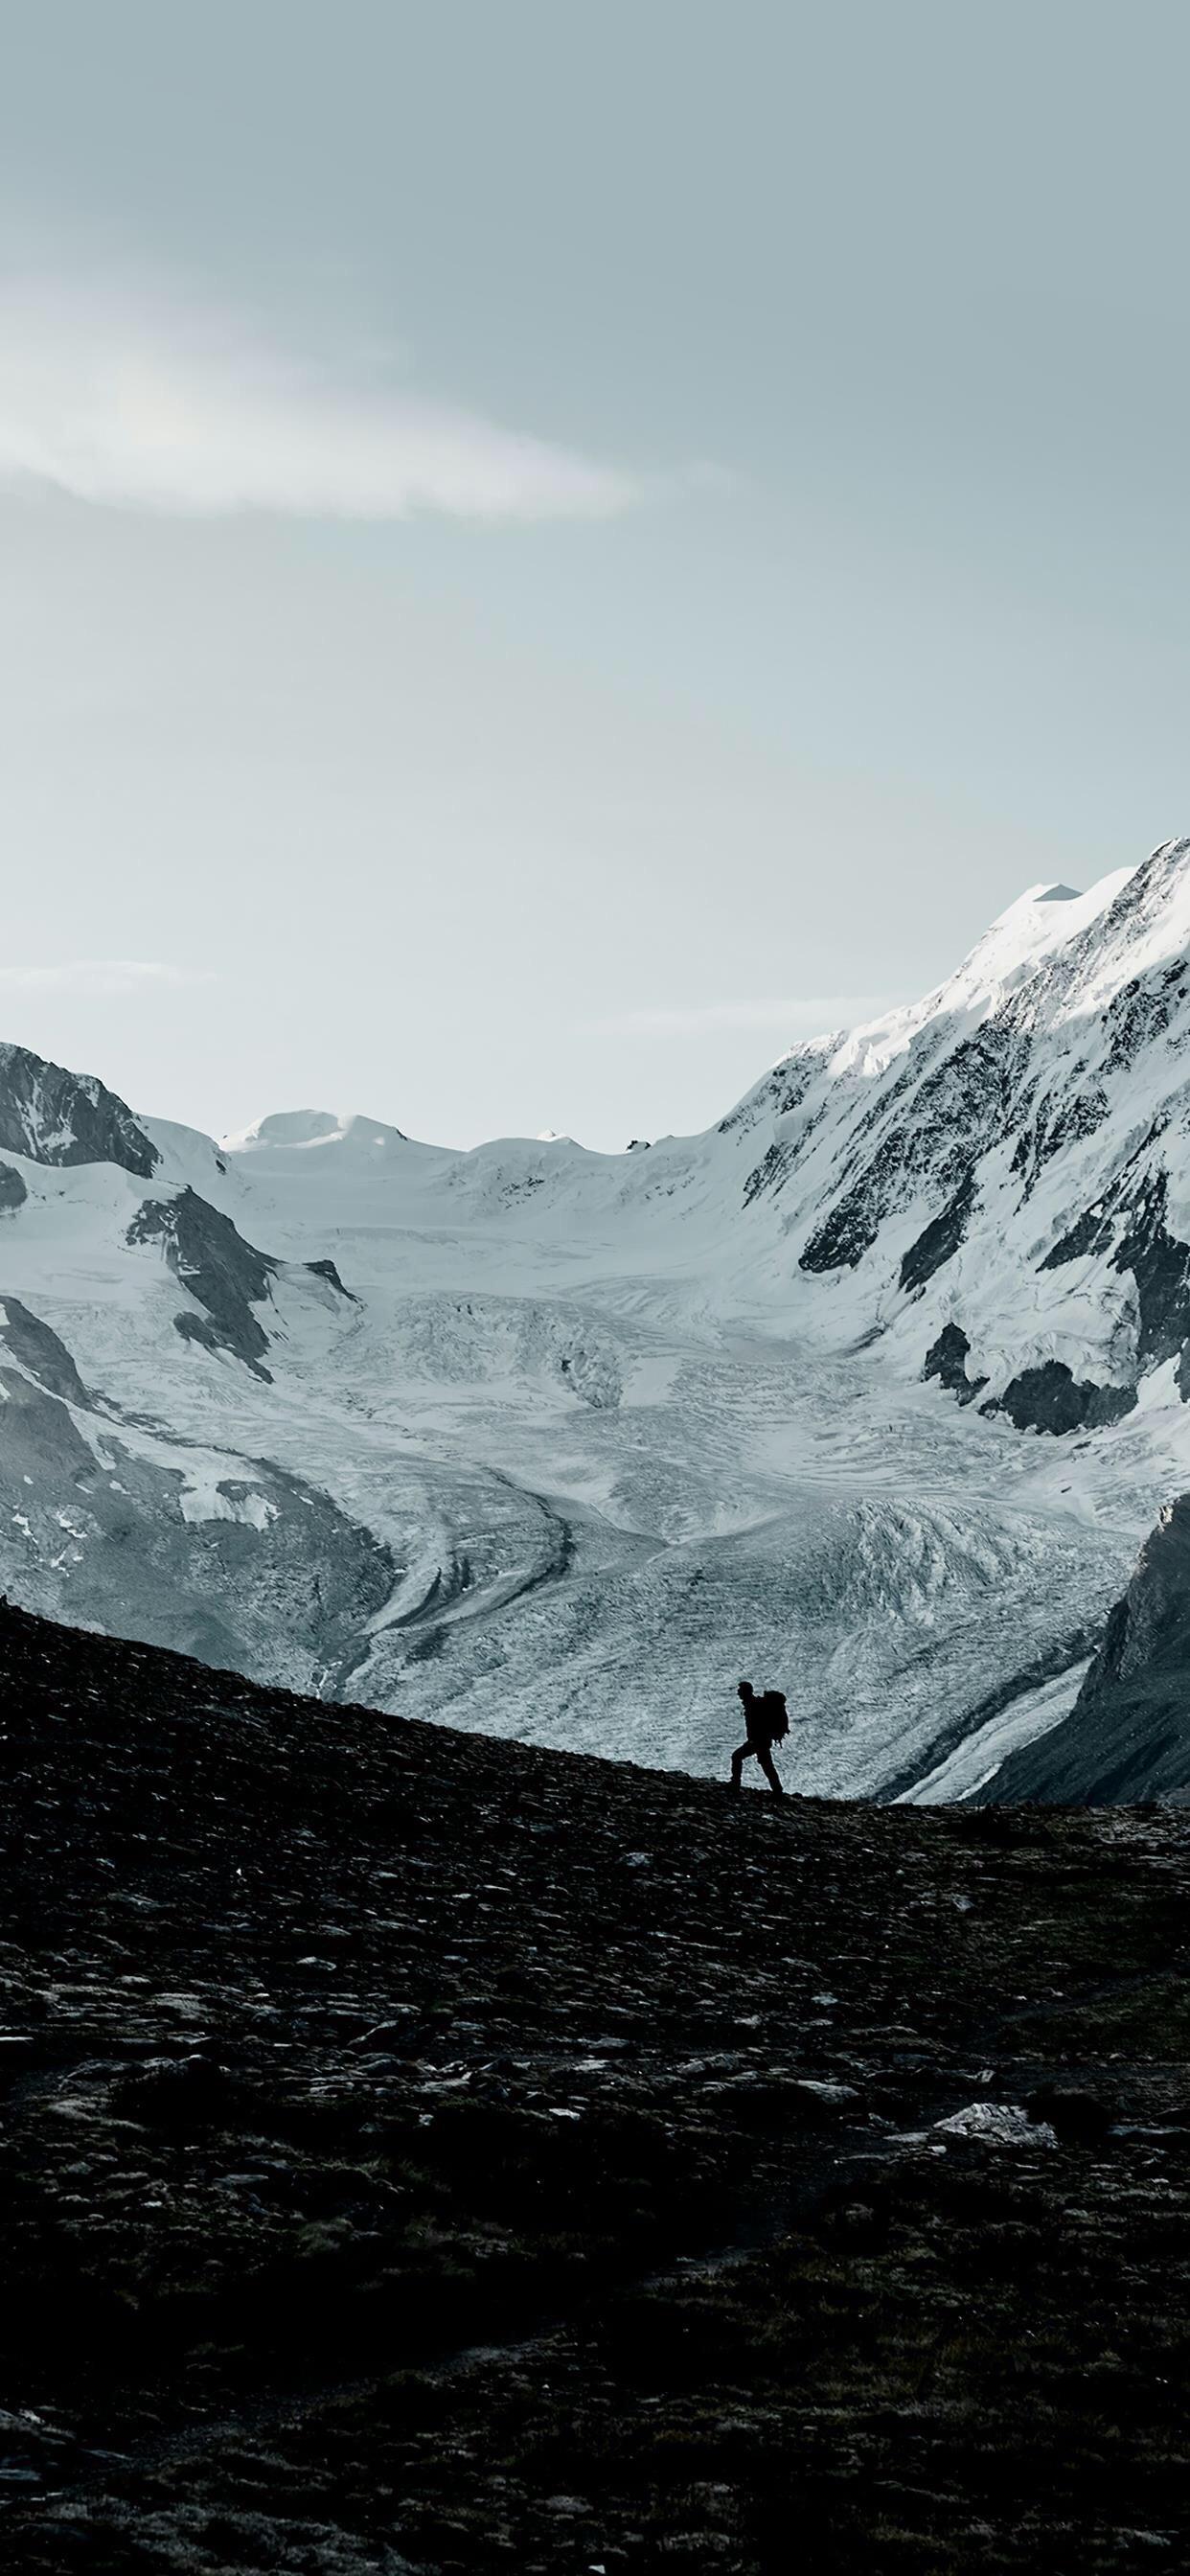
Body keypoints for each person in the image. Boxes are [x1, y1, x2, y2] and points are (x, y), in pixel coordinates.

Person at [729, 1678, 788, 1795]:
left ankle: (735, 1784)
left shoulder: (753, 1705)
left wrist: (755, 1739)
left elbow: (758, 1725)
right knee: (766, 1765)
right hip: (760, 1741)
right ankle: (777, 1789)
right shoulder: (754, 1704)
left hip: (758, 1741)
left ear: (746, 1692)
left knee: (737, 1757)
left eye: (740, 1690)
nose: (738, 1693)